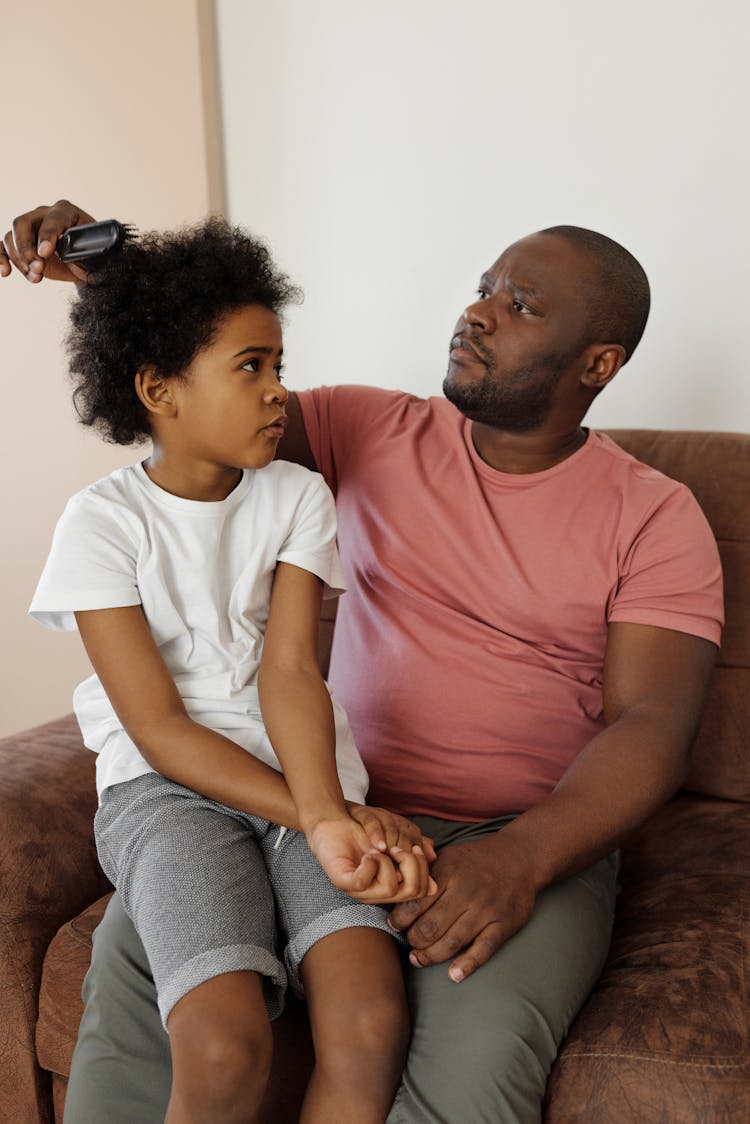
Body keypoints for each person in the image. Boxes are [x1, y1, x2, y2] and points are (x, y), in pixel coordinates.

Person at [2, 205, 723, 1124]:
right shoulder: (371, 429)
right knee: (142, 967)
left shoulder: (655, 517)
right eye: (483, 289)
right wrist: (112, 270)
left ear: (599, 364)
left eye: (522, 306)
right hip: (326, 798)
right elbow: (202, 400)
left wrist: (524, 858)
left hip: (519, 834)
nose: (479, 313)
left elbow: (654, 726)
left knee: (468, 1079)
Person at [24, 217, 438, 1124]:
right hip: (169, 791)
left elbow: (290, 671)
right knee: (223, 1044)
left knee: (369, 1021)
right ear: (159, 390)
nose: (279, 392)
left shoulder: (297, 496)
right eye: (251, 367)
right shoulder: (100, 525)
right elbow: (161, 730)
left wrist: (322, 808)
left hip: (305, 774)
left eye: (280, 365)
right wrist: (326, 822)